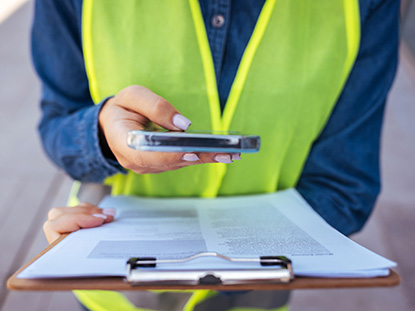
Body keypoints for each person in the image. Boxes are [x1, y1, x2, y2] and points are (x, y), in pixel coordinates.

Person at [33, 0, 399, 310]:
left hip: (253, 299)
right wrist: (99, 134)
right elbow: (58, 122)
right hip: (113, 295)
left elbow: (345, 187)